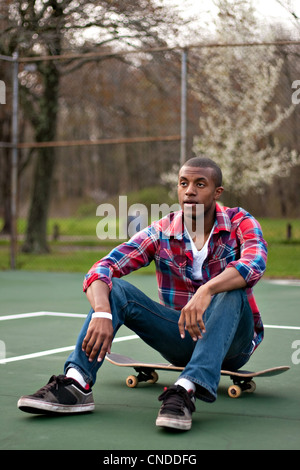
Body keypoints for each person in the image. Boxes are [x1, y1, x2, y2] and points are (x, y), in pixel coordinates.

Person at [18, 157, 267, 431]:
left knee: (231, 291)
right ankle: (77, 383)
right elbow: (103, 267)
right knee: (117, 290)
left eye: (200, 184)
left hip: (234, 343)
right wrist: (102, 310)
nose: (189, 191)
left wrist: (208, 289)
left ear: (217, 192)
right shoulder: (162, 231)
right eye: (183, 183)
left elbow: (254, 263)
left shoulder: (240, 221)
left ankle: (184, 391)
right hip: (183, 338)